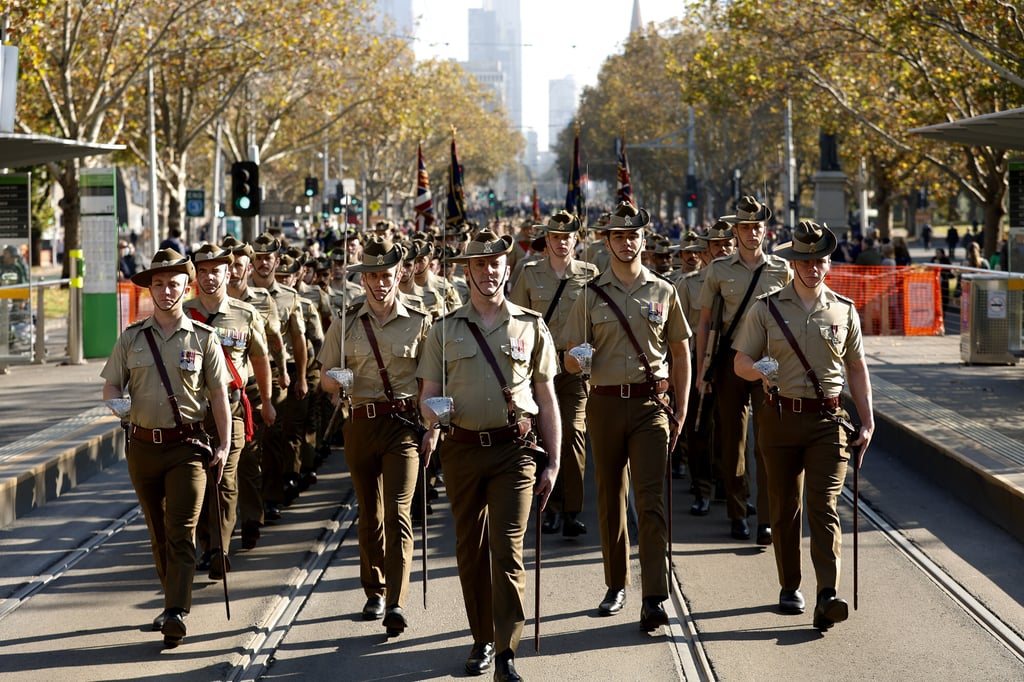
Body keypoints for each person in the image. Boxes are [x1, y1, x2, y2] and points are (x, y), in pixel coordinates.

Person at [418, 229, 561, 682]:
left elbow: (547, 396)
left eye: (495, 263)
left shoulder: (531, 324)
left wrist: (553, 460)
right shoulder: (444, 330)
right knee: (471, 550)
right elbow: (427, 396)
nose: (487, 271)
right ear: (467, 272)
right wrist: (433, 416)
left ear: (507, 267)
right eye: (478, 265)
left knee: (508, 548)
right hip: (461, 452)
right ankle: (480, 638)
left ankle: (506, 651)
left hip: (513, 453)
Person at [733, 220, 874, 631]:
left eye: (820, 261)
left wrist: (868, 419)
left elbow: (857, 368)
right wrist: (759, 369)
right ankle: (789, 585)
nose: (813, 268)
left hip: (828, 421)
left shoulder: (844, 310)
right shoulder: (767, 307)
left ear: (828, 263)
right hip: (778, 420)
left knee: (824, 506)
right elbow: (739, 361)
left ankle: (827, 594)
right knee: (784, 507)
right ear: (794, 263)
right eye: (805, 261)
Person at [561, 201, 691, 632]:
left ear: (642, 239)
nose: (627, 241)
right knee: (610, 497)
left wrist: (682, 406)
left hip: (651, 406)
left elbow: (680, 352)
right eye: (618, 235)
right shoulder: (588, 295)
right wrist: (576, 361)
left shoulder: (664, 291)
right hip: (603, 404)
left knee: (651, 501)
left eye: (633, 235)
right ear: (608, 241)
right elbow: (568, 357)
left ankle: (654, 596)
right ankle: (616, 584)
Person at [100, 248, 232, 647]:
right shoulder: (131, 338)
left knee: (181, 530)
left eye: (173, 283)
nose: (166, 290)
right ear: (150, 290)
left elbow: (219, 395)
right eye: (158, 284)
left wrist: (224, 445)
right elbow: (110, 384)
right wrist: (115, 405)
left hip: (187, 448)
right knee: (157, 533)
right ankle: (170, 598)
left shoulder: (203, 338)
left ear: (184, 287)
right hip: (141, 447)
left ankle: (176, 610)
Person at [320, 238, 431, 636]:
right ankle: (375, 589)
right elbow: (325, 379)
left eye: (386, 275)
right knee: (370, 513)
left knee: (400, 512)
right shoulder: (346, 321)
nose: (380, 283)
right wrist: (340, 379)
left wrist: (433, 427)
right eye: (372, 276)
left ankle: (397, 602)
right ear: (363, 278)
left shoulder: (421, 320)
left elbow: (429, 380)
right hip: (361, 423)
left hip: (403, 427)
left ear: (399, 274)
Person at [696, 196, 791, 545]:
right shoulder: (718, 270)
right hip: (729, 361)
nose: (752, 233)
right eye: (746, 227)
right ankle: (738, 511)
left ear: (766, 230)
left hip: (770, 364)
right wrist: (701, 372)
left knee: (767, 444)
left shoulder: (782, 270)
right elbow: (705, 322)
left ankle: (766, 518)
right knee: (732, 442)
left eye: (758, 227)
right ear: (735, 231)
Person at [183, 243, 276, 581]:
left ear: (230, 272)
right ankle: (205, 542)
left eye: (216, 271)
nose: (210, 278)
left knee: (225, 477)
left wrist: (266, 401)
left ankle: (218, 548)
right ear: (196, 275)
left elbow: (261, 359)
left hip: (233, 408)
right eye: (203, 271)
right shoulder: (181, 313)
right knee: (199, 481)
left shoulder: (245, 313)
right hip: (193, 412)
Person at [509, 210, 599, 538]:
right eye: (555, 237)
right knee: (541, 438)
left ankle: (572, 511)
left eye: (567, 237)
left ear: (577, 239)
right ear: (546, 240)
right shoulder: (529, 273)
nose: (562, 242)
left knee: (573, 435)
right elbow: (514, 323)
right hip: (537, 370)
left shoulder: (590, 274)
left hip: (574, 368)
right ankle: (549, 506)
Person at [676, 221, 734, 510]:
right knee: (700, 430)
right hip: (701, 361)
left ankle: (731, 487)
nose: (723, 250)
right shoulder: (689, 285)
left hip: (734, 363)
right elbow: (681, 332)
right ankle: (703, 490)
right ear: (706, 251)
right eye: (716, 245)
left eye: (728, 245)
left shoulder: (744, 281)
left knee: (733, 432)